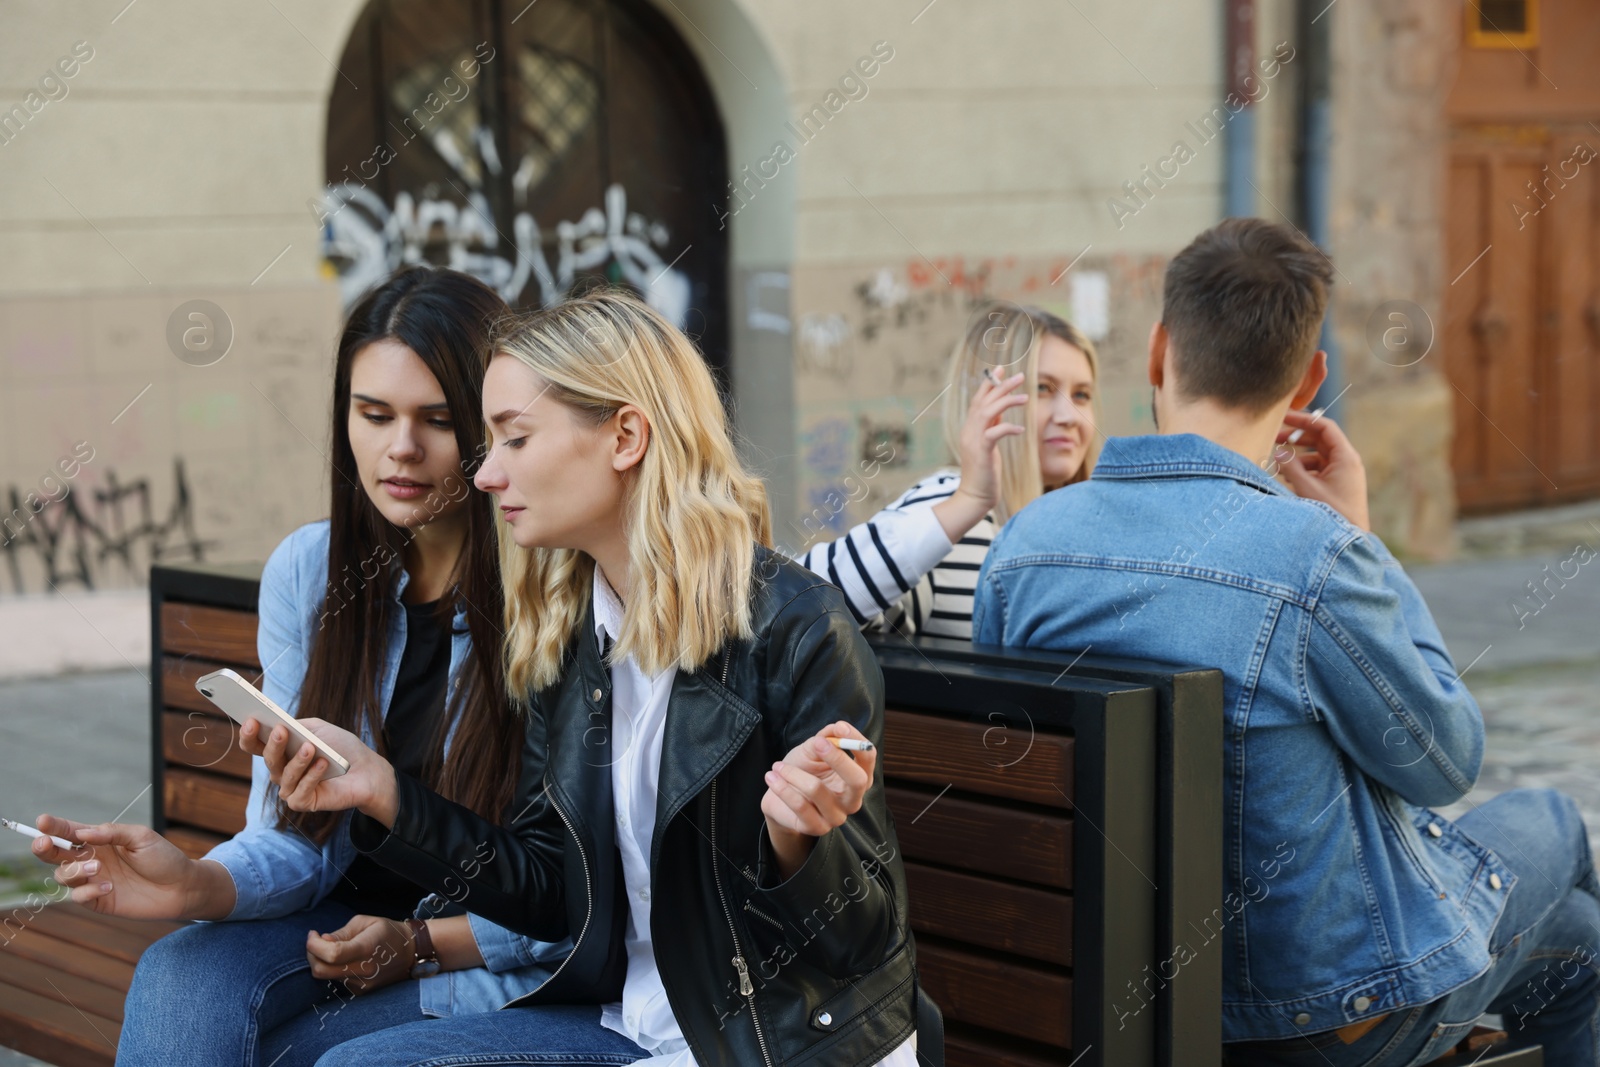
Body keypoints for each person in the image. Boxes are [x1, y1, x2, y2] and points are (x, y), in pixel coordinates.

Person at [217, 290, 920, 1067]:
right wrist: (384, 792)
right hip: (635, 1023)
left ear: (625, 435)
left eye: (514, 438)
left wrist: (798, 843)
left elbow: (863, 939)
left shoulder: (795, 630)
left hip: (770, 1046)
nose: (486, 475)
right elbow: (551, 888)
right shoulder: (574, 631)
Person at [973, 218, 1600, 1065]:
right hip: (1316, 1021)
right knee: (1557, 823)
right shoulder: (1314, 555)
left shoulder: (1027, 547)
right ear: (1308, 380)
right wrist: (1360, 539)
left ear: (1159, 353)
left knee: (1582, 934)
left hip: (1113, 992)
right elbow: (1444, 761)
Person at [35, 267, 570, 1066]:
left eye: (438, 419)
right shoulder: (311, 572)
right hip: (334, 918)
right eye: (374, 413)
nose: (402, 448)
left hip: (498, 956)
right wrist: (193, 883)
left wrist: (424, 940)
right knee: (178, 978)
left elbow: (581, 886)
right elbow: (294, 840)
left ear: (492, 426)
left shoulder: (555, 589)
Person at [799, 303, 1099, 638]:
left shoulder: (1075, 526)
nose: (1070, 415)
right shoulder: (952, 503)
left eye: (1082, 394)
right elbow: (803, 603)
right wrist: (969, 500)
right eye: (1043, 388)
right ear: (984, 399)